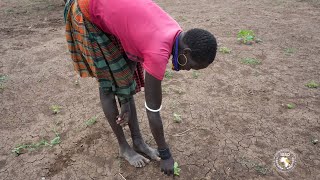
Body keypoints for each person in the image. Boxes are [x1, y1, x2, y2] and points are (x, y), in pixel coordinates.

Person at [64, 0, 217, 176]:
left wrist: (126, 100)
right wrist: (165, 154)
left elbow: (132, 55)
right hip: (88, 11)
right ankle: (124, 147)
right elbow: (153, 111)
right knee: (107, 85)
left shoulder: (175, 31)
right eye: (191, 66)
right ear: (186, 53)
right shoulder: (158, 51)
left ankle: (138, 142)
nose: (187, 70)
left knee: (123, 79)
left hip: (109, 8)